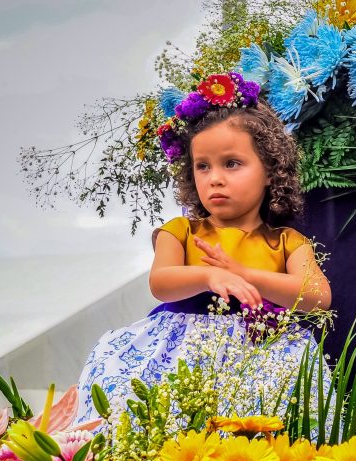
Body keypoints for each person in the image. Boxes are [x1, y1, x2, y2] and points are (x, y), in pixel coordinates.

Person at [76, 72, 332, 425]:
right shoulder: (180, 231)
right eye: (202, 166)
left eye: (232, 163)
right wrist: (211, 274)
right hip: (180, 355)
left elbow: (318, 296)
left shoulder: (287, 241)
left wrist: (245, 275)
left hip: (263, 358)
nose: (214, 178)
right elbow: (161, 282)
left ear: (271, 171)